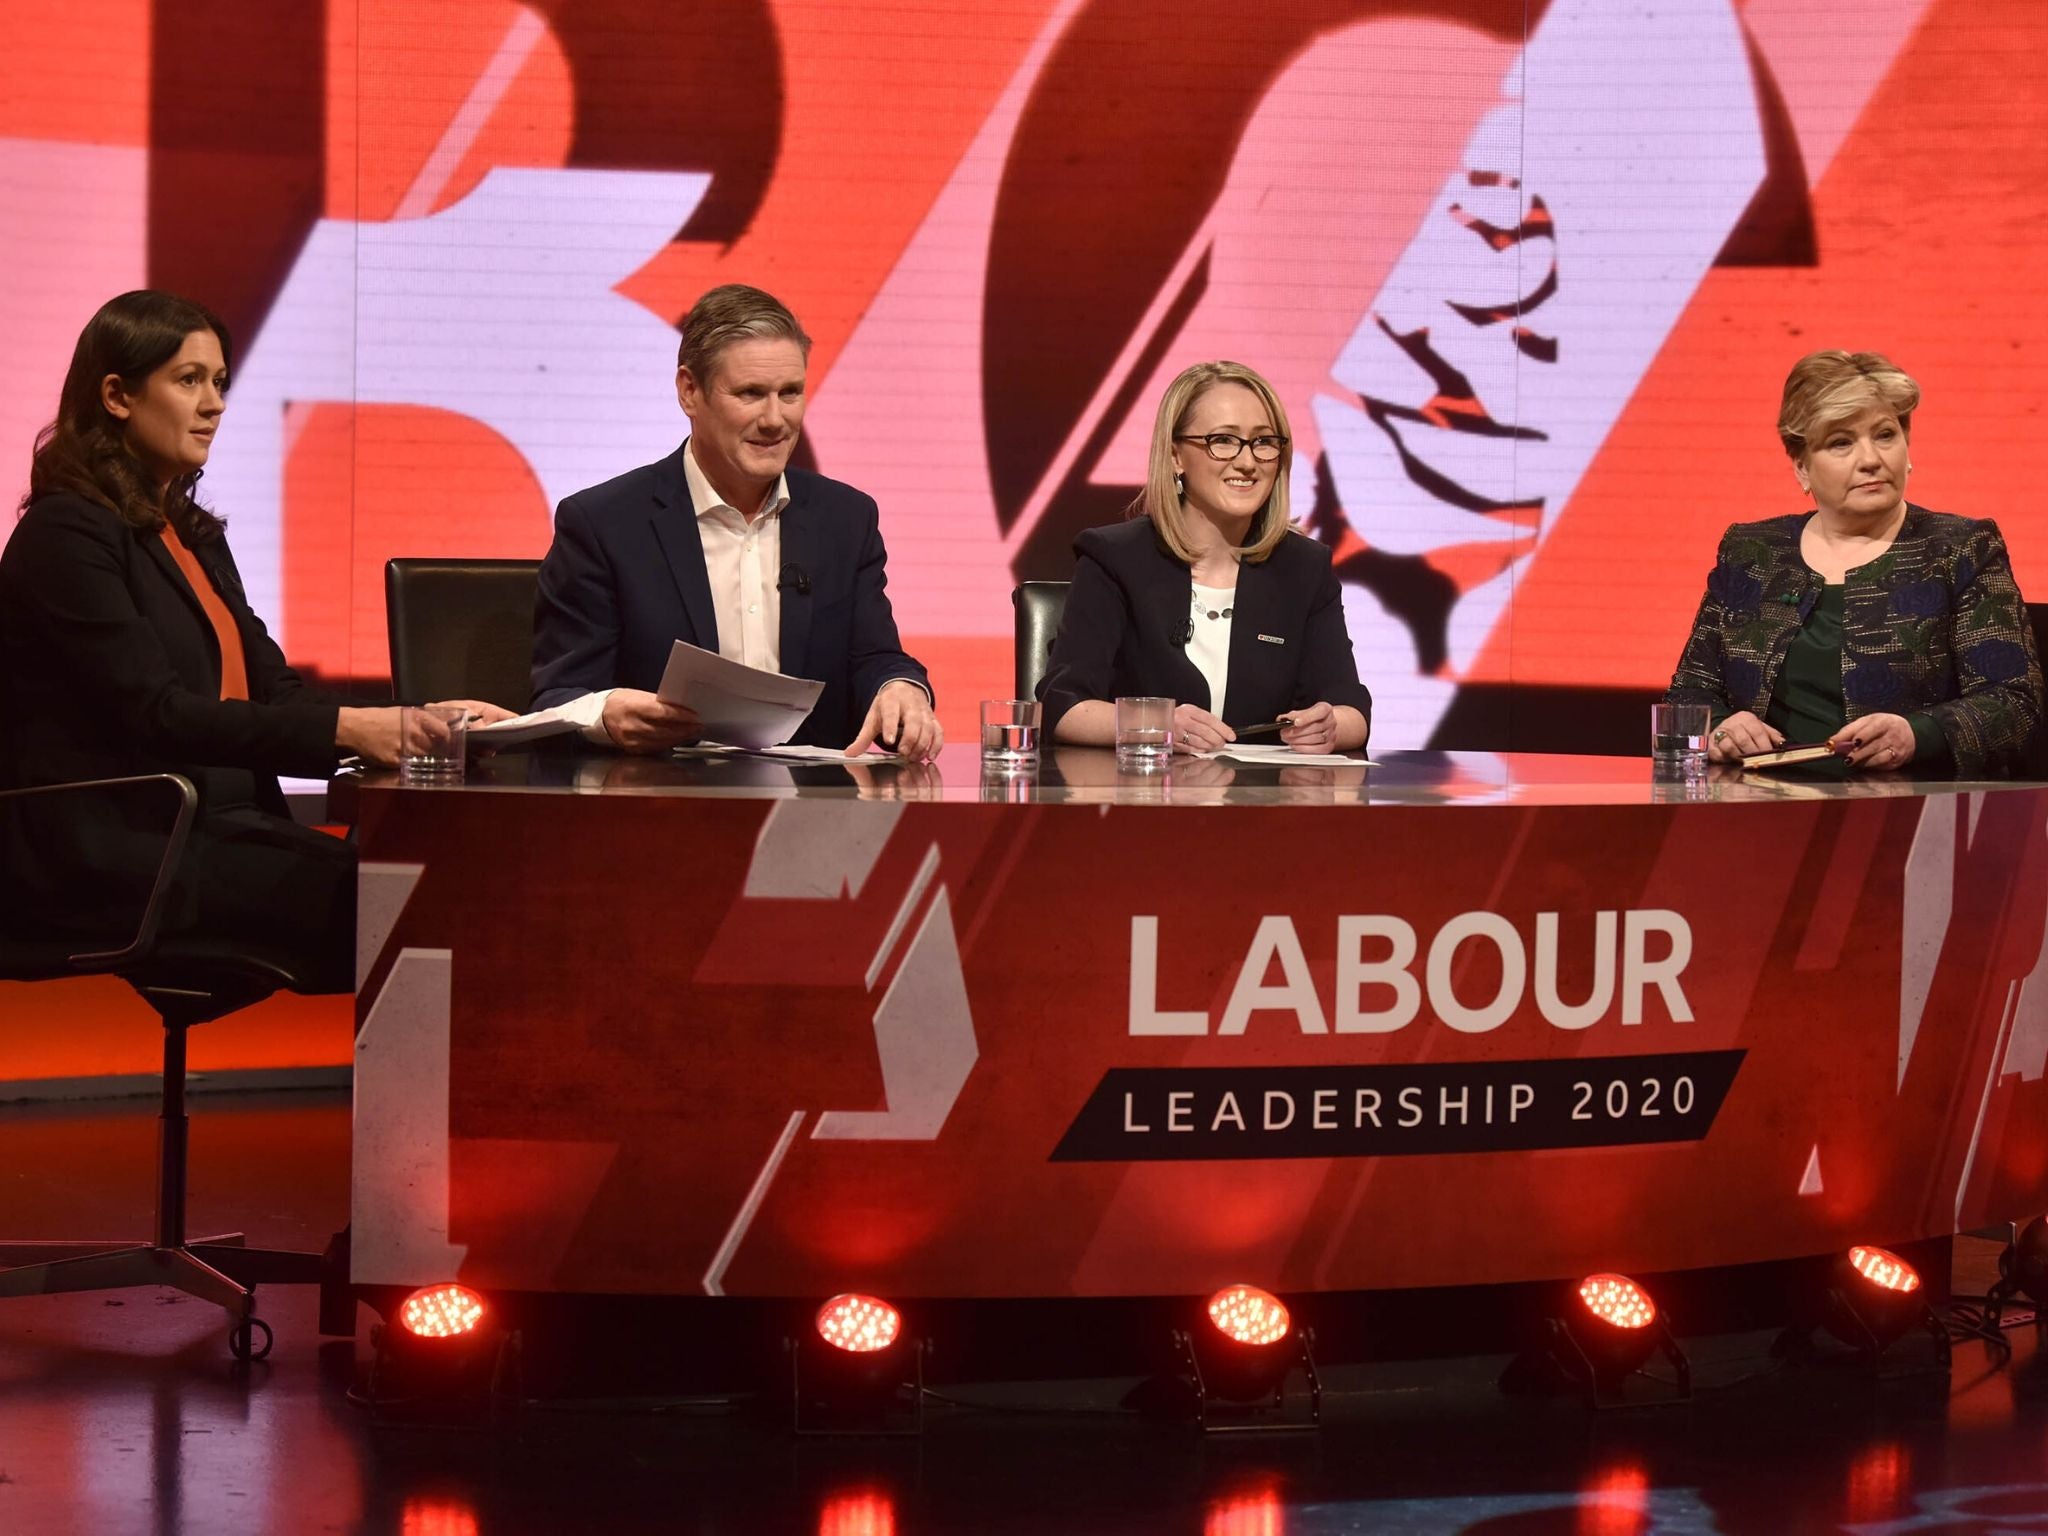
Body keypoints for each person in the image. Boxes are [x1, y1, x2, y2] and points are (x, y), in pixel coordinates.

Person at [0, 291, 509, 991]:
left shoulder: (191, 533)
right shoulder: (64, 537)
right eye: (189, 381)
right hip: (114, 850)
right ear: (117, 395)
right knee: (422, 913)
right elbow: (156, 714)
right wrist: (352, 729)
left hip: (211, 828)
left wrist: (413, 716)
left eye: (219, 383)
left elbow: (276, 690)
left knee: (449, 887)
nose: (214, 404)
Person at [531, 284, 940, 759]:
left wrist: (900, 688)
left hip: (808, 810)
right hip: (659, 802)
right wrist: (605, 713)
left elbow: (873, 656)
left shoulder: (846, 519)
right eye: (750, 393)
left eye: (790, 393)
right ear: (690, 391)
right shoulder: (603, 524)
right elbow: (558, 697)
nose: (775, 419)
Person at [1667, 351, 2042, 777]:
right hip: (1760, 805)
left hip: (1904, 811)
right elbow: (1688, 697)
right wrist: (1719, 729)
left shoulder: (1960, 548)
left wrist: (1916, 734)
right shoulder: (1752, 552)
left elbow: (2015, 706)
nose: (1870, 459)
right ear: (1802, 466)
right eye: (1841, 443)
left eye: (1885, 435)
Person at [1037, 360, 1372, 753]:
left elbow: (1351, 710)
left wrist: (1328, 727)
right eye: (1224, 440)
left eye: (1263, 442)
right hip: (1141, 801)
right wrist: (1155, 725)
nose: (1247, 462)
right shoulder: (1116, 560)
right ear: (1176, 456)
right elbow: (1063, 707)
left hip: (1263, 807)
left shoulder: (1304, 569)